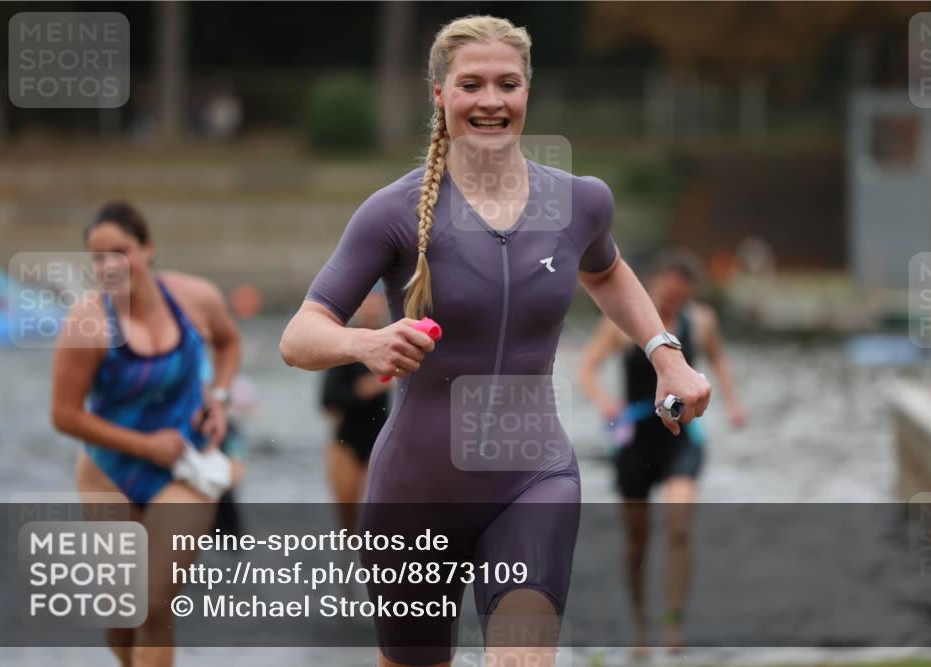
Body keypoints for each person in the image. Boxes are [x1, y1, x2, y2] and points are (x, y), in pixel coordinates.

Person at [280, 16, 711, 667]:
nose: (491, 100)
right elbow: (298, 334)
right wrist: (364, 345)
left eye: (507, 84)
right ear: (440, 95)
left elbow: (608, 271)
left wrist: (665, 354)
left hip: (531, 480)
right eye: (471, 84)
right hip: (415, 490)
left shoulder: (579, 202)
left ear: (527, 93)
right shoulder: (392, 213)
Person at [51, 202, 241, 667]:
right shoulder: (87, 323)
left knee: (154, 603)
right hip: (109, 471)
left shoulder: (195, 298)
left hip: (183, 466)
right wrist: (145, 446)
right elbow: (65, 415)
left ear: (148, 248)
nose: (111, 266)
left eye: (121, 251)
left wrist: (218, 396)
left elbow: (229, 341)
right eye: (98, 258)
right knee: (121, 612)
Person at [577, 250, 746, 655]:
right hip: (634, 441)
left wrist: (734, 402)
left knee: (679, 526)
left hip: (681, 439)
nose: (672, 303)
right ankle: (639, 625)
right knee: (638, 541)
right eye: (667, 294)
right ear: (653, 286)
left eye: (680, 297)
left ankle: (673, 622)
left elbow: (719, 360)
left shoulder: (701, 322)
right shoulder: (623, 324)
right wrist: (605, 402)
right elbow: (586, 370)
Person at [320, 285, 391, 532]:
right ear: (358, 306)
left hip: (381, 439)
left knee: (375, 519)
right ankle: (347, 563)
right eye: (367, 301)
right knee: (348, 524)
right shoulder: (346, 343)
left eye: (377, 300)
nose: (372, 306)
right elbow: (327, 400)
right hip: (346, 441)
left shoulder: (394, 341)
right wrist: (369, 387)